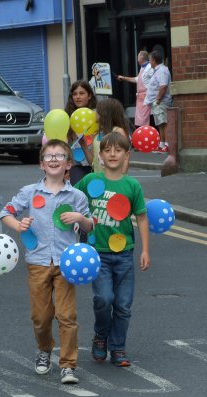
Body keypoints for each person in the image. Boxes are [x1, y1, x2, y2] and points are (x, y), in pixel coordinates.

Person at [0, 139, 93, 384]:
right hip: (37, 261)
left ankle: (68, 365)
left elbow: (90, 225)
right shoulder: (29, 192)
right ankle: (44, 350)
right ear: (41, 164)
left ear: (68, 164)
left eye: (59, 156)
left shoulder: (77, 196)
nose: (53, 159)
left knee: (66, 315)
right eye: (48, 156)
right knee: (40, 317)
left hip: (66, 264)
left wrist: (79, 218)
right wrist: (18, 225)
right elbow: (5, 212)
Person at [74, 132, 150, 367]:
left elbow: (142, 218)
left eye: (118, 150)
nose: (112, 154)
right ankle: (100, 335)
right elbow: (70, 198)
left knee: (123, 305)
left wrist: (145, 250)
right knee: (103, 298)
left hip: (124, 254)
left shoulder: (132, 185)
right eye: (107, 150)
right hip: (97, 253)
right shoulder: (90, 181)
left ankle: (118, 348)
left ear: (126, 155)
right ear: (101, 155)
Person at [64, 80, 98, 185]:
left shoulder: (97, 115)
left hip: (96, 164)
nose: (78, 97)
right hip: (76, 165)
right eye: (75, 94)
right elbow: (67, 145)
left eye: (82, 93)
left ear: (89, 95)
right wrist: (66, 169)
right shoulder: (68, 116)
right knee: (77, 189)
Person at [144, 50, 173, 154]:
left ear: (154, 60)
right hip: (158, 102)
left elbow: (163, 86)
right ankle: (162, 145)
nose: (149, 62)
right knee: (160, 123)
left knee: (164, 123)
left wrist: (158, 100)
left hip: (161, 102)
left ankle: (167, 146)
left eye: (150, 60)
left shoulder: (162, 70)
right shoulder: (158, 70)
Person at [95, 98, 131, 173]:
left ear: (104, 113)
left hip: (114, 177)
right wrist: (84, 145)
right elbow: (94, 161)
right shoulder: (98, 134)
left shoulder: (118, 131)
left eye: (97, 111)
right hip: (98, 177)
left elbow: (125, 158)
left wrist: (122, 177)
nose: (95, 112)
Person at [117, 50, 152, 128]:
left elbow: (154, 81)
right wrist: (123, 78)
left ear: (141, 58)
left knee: (145, 121)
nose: (137, 59)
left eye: (138, 57)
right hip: (141, 98)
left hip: (146, 97)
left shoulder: (150, 68)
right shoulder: (142, 68)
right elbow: (137, 79)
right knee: (141, 121)